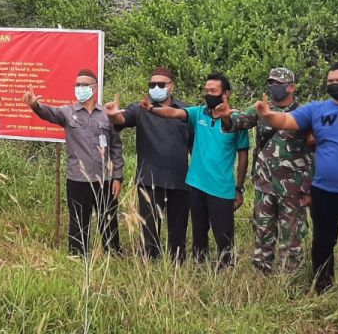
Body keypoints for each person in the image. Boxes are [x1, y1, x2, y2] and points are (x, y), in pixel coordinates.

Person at [254, 62, 338, 294]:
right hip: (324, 191)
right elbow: (286, 121)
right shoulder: (316, 109)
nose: (334, 85)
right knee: (322, 245)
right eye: (330, 81)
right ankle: (322, 289)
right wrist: (268, 115)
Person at [136, 73, 249, 269]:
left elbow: (243, 156)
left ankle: (226, 272)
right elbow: (174, 113)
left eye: (213, 91)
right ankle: (199, 268)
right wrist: (152, 109)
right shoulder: (198, 113)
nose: (208, 94)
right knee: (198, 234)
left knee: (223, 236)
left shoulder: (237, 121)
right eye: (206, 91)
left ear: (226, 93)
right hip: (196, 185)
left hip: (221, 188)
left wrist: (239, 188)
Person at [219, 68, 312, 274]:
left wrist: (308, 187)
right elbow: (237, 123)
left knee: (292, 233)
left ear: (291, 87)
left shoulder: (304, 113)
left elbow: (314, 151)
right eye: (270, 82)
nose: (273, 87)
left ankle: (289, 277)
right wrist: (226, 116)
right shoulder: (260, 109)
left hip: (293, 187)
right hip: (264, 183)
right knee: (262, 229)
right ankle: (262, 272)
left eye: (279, 83)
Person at [25, 69, 123, 257]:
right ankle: (78, 256)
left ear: (94, 88)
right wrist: (35, 106)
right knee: (78, 221)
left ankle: (113, 255)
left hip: (104, 179)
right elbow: (49, 112)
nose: (79, 88)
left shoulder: (106, 115)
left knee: (108, 220)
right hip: (77, 179)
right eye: (77, 85)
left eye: (84, 85)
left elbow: (116, 148)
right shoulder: (67, 113)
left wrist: (118, 175)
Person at [106, 67, 193, 261]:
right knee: (150, 231)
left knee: (178, 232)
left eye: (161, 84)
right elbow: (121, 119)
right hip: (150, 179)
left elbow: (195, 148)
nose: (156, 88)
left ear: (172, 87)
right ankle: (150, 265)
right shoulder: (140, 108)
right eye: (152, 85)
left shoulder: (185, 111)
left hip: (180, 180)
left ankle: (177, 266)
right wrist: (113, 114)